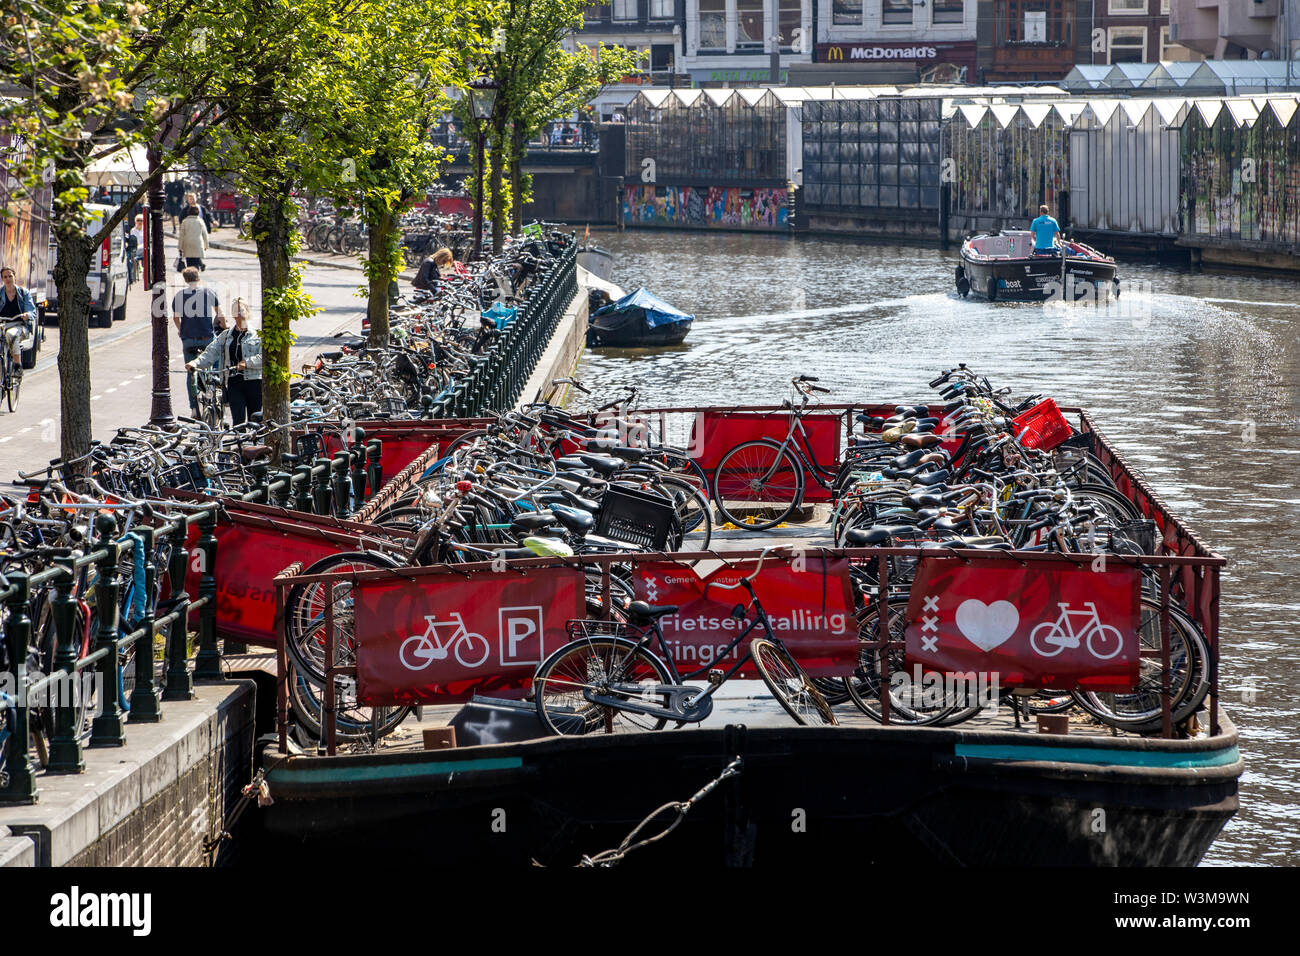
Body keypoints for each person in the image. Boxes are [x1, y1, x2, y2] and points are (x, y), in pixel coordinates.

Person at [186, 297, 262, 425]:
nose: (239, 315)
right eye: (235, 312)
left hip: (254, 382)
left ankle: (254, 444)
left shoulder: (258, 335)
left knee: (255, 419)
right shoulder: (226, 335)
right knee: (238, 420)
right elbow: (211, 352)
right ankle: (239, 444)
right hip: (233, 382)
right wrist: (195, 363)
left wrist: (247, 363)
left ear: (248, 312)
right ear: (232, 315)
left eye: (242, 311)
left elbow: (264, 357)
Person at [171, 266, 225, 416]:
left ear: (185, 280)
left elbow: (176, 318)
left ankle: (194, 408)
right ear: (198, 277)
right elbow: (220, 314)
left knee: (191, 372)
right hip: (206, 337)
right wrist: (225, 327)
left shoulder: (180, 295)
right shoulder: (208, 292)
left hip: (188, 340)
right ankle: (216, 394)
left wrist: (181, 330)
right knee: (216, 361)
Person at [0, 266, 38, 368]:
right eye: (5, 277)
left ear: (14, 277)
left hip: (20, 326)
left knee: (11, 335)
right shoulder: (0, 293)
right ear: (2, 279)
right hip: (2, 325)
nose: (8, 279)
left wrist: (27, 315)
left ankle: (17, 366)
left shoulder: (23, 293)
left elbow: (32, 311)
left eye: (10, 276)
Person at [178, 199, 209, 271]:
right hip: (198, 244)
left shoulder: (185, 222)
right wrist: (206, 245)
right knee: (196, 261)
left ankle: (190, 276)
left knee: (189, 263)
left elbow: (181, 236)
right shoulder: (200, 221)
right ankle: (196, 274)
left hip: (187, 245)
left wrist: (180, 247)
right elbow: (205, 234)